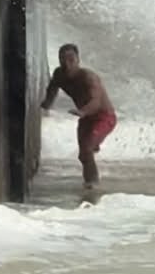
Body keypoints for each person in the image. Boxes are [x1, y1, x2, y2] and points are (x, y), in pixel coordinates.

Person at [41, 43, 117, 188]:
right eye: (63, 60)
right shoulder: (59, 75)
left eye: (71, 59)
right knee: (83, 155)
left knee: (87, 149)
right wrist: (44, 106)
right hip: (86, 118)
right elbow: (51, 92)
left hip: (104, 117)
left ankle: (93, 185)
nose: (67, 64)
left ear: (78, 60)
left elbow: (96, 101)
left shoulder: (89, 77)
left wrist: (82, 112)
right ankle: (88, 183)